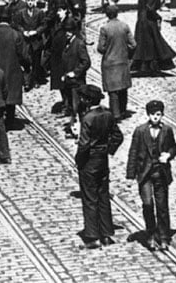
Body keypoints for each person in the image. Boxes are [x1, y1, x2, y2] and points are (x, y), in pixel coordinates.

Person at [124, 99, 176, 252]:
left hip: (160, 172)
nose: (156, 117)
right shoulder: (140, 131)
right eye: (153, 115)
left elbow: (173, 146)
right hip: (145, 174)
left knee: (162, 206)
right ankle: (151, 234)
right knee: (148, 204)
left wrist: (169, 155)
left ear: (162, 115)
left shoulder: (167, 130)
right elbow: (133, 153)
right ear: (148, 115)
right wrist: (130, 176)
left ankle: (164, 236)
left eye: (158, 114)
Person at [74, 83, 123, 247]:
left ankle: (93, 235)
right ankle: (107, 234)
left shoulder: (88, 118)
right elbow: (118, 136)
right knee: (103, 195)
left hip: (89, 161)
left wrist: (79, 159)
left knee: (89, 197)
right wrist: (108, 150)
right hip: (103, 160)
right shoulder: (108, 114)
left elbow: (84, 144)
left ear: (86, 100)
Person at [131, 0, 176, 74]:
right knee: (154, 42)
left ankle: (143, 66)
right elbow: (150, 9)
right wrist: (158, 17)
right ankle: (155, 65)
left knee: (143, 42)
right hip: (149, 21)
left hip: (141, 20)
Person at [96, 3, 135, 119]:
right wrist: (125, 52)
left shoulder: (104, 28)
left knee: (113, 91)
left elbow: (101, 48)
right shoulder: (124, 26)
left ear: (107, 15)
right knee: (123, 88)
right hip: (122, 62)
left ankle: (116, 114)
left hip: (110, 63)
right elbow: (133, 44)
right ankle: (123, 110)